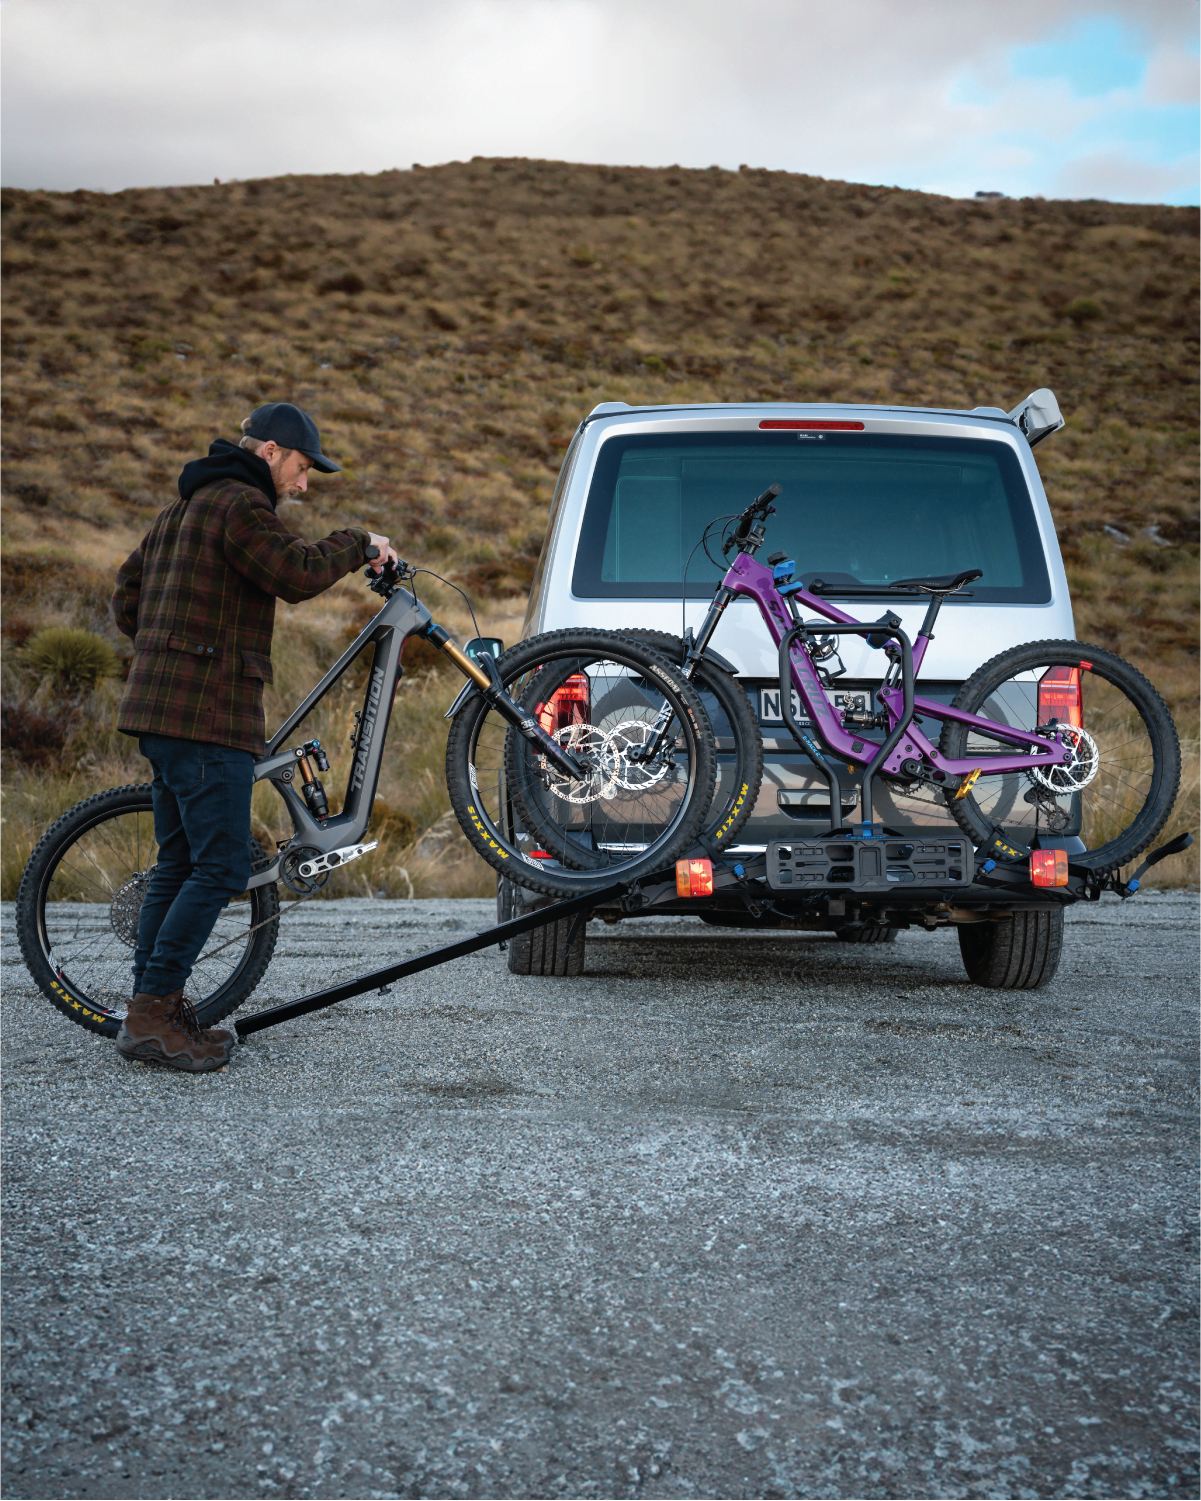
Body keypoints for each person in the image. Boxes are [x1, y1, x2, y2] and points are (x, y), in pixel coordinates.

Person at [109, 402, 398, 1072]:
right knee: (218, 867)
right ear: (270, 451)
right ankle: (153, 1017)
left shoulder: (177, 513)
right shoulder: (240, 505)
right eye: (301, 467)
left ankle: (151, 1008)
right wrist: (359, 543)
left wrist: (163, 652)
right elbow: (294, 574)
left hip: (162, 713)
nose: (302, 485)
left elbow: (127, 597)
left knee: (180, 863)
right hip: (208, 715)